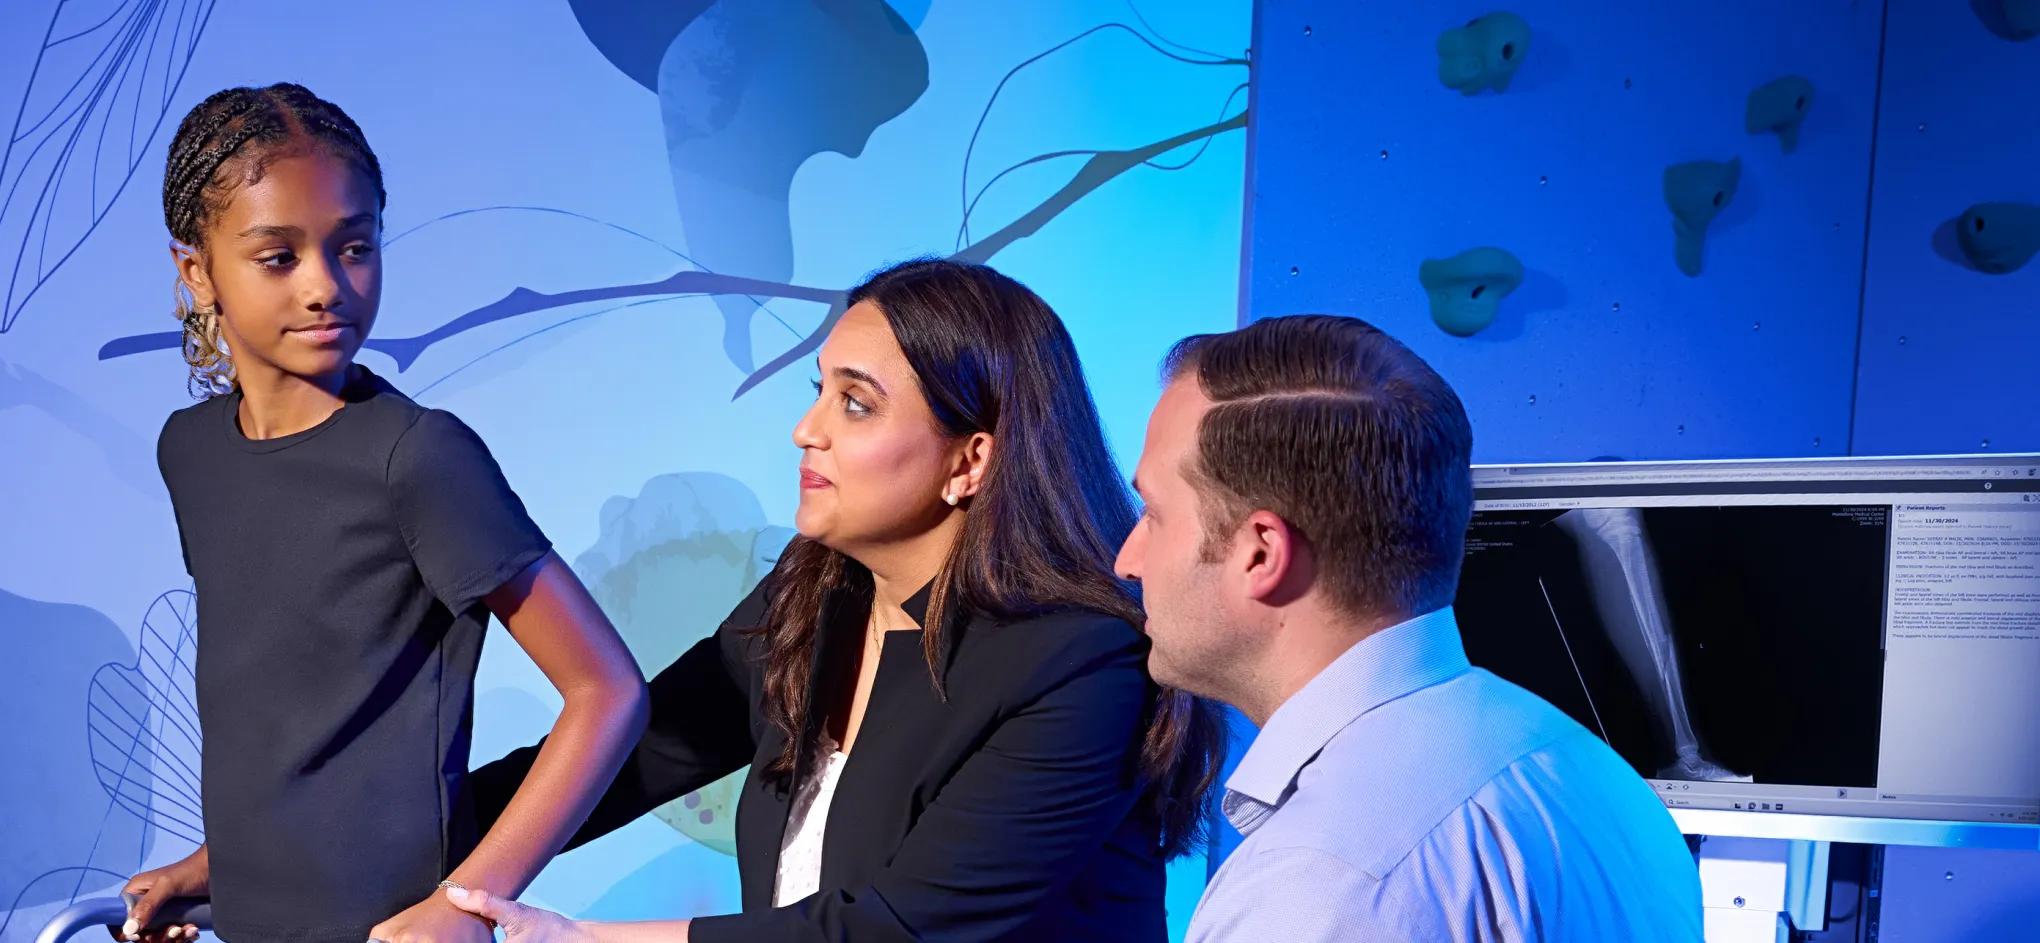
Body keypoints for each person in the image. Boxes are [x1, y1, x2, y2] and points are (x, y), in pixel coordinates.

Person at [445, 258, 1226, 942]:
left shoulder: (1086, 662)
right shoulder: (813, 590)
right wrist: (391, 834)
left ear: (970, 459)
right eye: (820, 392)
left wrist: (587, 938)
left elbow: (901, 926)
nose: (804, 430)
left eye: (855, 403)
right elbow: (640, 753)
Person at [115, 83, 649, 943]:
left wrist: (464, 903)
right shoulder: (190, 451)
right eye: (278, 256)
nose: (328, 285)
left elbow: (608, 691)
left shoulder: (420, 458)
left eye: (354, 246)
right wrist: (214, 867)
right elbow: (291, 724)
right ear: (196, 270)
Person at [1113, 315, 1703, 941]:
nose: (1127, 560)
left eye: (1153, 514)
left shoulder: (1321, 888)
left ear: (1260, 554)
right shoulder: (1589, 770)